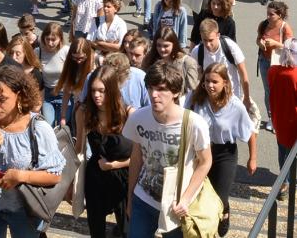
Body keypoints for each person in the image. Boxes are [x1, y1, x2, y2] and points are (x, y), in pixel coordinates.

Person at [0, 65, 65, 237]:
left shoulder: (38, 128)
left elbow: (55, 175)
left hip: (26, 211)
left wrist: (20, 176)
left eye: (1, 99)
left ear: (19, 96)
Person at [123, 60, 212, 237]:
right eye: (151, 88)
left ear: (176, 92)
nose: (155, 94)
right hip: (144, 198)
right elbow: (137, 157)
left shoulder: (193, 123)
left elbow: (205, 161)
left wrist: (186, 198)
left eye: (162, 89)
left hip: (176, 205)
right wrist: (130, 197)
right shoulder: (138, 117)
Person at [190, 63, 257, 236]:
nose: (210, 85)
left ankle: (223, 213)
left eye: (215, 81)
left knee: (219, 195)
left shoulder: (235, 106)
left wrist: (253, 158)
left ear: (225, 83)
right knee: (200, 192)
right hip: (200, 151)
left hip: (224, 154)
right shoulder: (197, 99)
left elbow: (250, 133)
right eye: (206, 81)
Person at [75, 66, 133, 237]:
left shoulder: (129, 114)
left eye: (102, 90)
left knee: (126, 230)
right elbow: (78, 148)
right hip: (97, 175)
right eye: (93, 90)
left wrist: (115, 164)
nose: (96, 95)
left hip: (124, 177)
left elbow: (141, 156)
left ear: (112, 90)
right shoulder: (84, 111)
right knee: (96, 229)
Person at [191, 19, 251, 109]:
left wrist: (246, 97)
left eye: (211, 40)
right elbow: (194, 76)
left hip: (231, 97)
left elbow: (243, 73)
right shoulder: (197, 51)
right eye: (204, 40)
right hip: (209, 98)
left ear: (218, 35)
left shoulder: (230, 47)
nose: (207, 44)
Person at [256, 1, 293, 131]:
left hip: (279, 64)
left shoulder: (285, 28)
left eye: (271, 14)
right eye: (267, 13)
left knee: (279, 92)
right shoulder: (264, 24)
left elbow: (291, 48)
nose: (268, 16)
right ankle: (272, 118)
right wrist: (260, 43)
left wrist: (275, 43)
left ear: (280, 15)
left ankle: (281, 118)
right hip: (264, 62)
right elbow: (258, 38)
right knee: (268, 91)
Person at [268, 38, 297, 200]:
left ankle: (284, 181)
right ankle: (288, 182)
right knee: (293, 154)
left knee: (282, 152)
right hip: (294, 121)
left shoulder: (273, 71)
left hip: (279, 118)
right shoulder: (295, 75)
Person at [143, 27, 199, 103]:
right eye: (159, 45)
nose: (162, 49)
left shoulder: (187, 62)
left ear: (174, 45)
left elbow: (192, 92)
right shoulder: (150, 60)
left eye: (166, 46)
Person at [79, 52, 150, 110]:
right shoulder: (92, 78)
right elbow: (83, 105)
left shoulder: (140, 77)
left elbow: (149, 108)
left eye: (117, 78)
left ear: (126, 74)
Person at [35, 22, 70, 126]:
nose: (50, 43)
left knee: (61, 127)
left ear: (60, 39)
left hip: (64, 94)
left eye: (53, 40)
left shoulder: (66, 51)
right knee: (48, 125)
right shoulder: (38, 51)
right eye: (47, 39)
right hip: (47, 95)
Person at [54, 38, 94, 127]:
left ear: (88, 54)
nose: (78, 61)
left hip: (93, 109)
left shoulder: (95, 65)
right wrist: (63, 116)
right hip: (78, 107)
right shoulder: (71, 66)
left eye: (81, 58)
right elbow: (67, 93)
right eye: (75, 58)